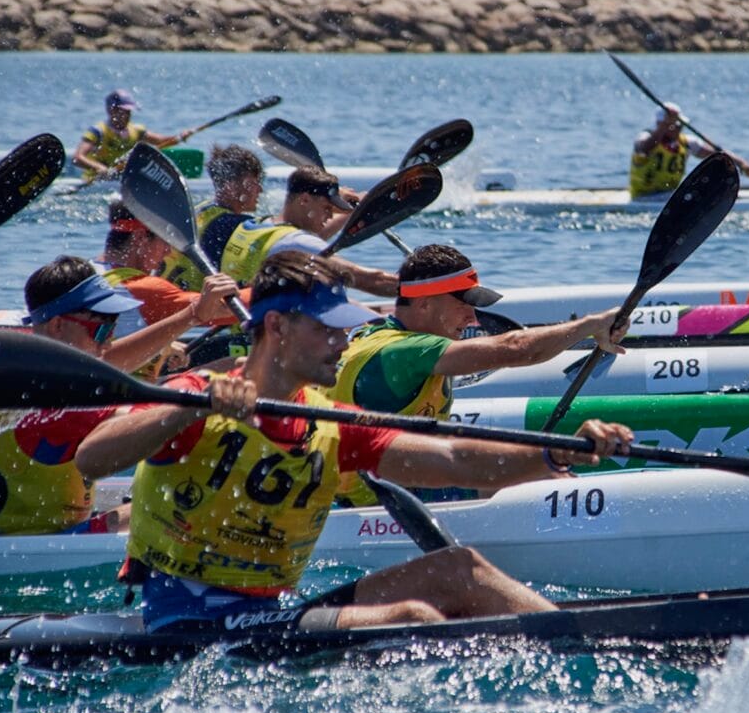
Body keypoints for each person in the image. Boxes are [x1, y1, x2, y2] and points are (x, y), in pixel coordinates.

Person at [75, 252, 633, 633]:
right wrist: (186, 411)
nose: (343, 343)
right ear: (278, 329)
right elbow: (94, 457)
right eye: (329, 330)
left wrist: (556, 451)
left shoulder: (332, 420)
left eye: (344, 328)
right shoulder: (194, 394)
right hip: (190, 620)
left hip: (270, 613)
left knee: (457, 570)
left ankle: (578, 645)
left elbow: (455, 458)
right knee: (412, 618)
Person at [329, 243, 628, 505]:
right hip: (381, 504)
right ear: (423, 304)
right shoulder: (406, 351)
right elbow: (517, 349)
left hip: (366, 489)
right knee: (550, 482)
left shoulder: (371, 333)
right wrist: (590, 325)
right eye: (464, 304)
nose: (472, 318)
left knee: (527, 467)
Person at [0, 257, 145, 536]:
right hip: (30, 548)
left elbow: (109, 365)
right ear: (57, 326)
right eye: (102, 329)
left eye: (113, 329)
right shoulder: (65, 405)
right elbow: (150, 419)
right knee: (162, 507)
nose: (109, 341)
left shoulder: (0, 372)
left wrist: (191, 316)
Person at [220, 165, 396, 297]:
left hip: (243, 331)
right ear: (304, 200)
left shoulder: (258, 225)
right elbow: (371, 280)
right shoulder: (296, 243)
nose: (330, 216)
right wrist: (418, 287)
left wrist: (354, 212)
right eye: (327, 208)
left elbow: (307, 241)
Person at [96, 199, 246, 350]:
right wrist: (267, 282)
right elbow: (234, 309)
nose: (168, 251)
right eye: (165, 241)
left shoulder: (90, 271)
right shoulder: (146, 290)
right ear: (141, 238)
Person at [159, 144, 266, 292]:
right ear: (230, 186)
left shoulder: (198, 211)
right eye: (253, 183)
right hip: (192, 304)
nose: (260, 189)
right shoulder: (231, 225)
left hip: (170, 293)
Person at [629, 102, 749, 199]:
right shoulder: (645, 138)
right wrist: (664, 124)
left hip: (668, 196)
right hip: (644, 197)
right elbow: (644, 148)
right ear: (664, 125)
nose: (680, 129)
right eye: (677, 125)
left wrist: (741, 163)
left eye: (681, 126)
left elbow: (718, 155)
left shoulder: (686, 143)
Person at [71, 89, 193, 183]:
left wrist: (180, 137)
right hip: (98, 181)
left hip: (124, 181)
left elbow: (162, 141)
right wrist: (100, 168)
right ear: (111, 110)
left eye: (129, 112)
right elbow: (78, 158)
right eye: (123, 112)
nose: (127, 115)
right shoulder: (97, 132)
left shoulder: (136, 131)